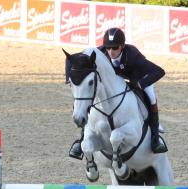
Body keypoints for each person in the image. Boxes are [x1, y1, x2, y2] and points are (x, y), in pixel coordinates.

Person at [67, 27, 168, 159]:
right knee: (91, 98)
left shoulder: (133, 55)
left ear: (122, 46)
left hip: (136, 78)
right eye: (108, 48)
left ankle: (155, 137)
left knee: (151, 97)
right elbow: (71, 59)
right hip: (114, 82)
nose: (111, 51)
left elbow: (159, 71)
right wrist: (67, 78)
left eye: (115, 48)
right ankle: (81, 140)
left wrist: (139, 84)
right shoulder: (101, 52)